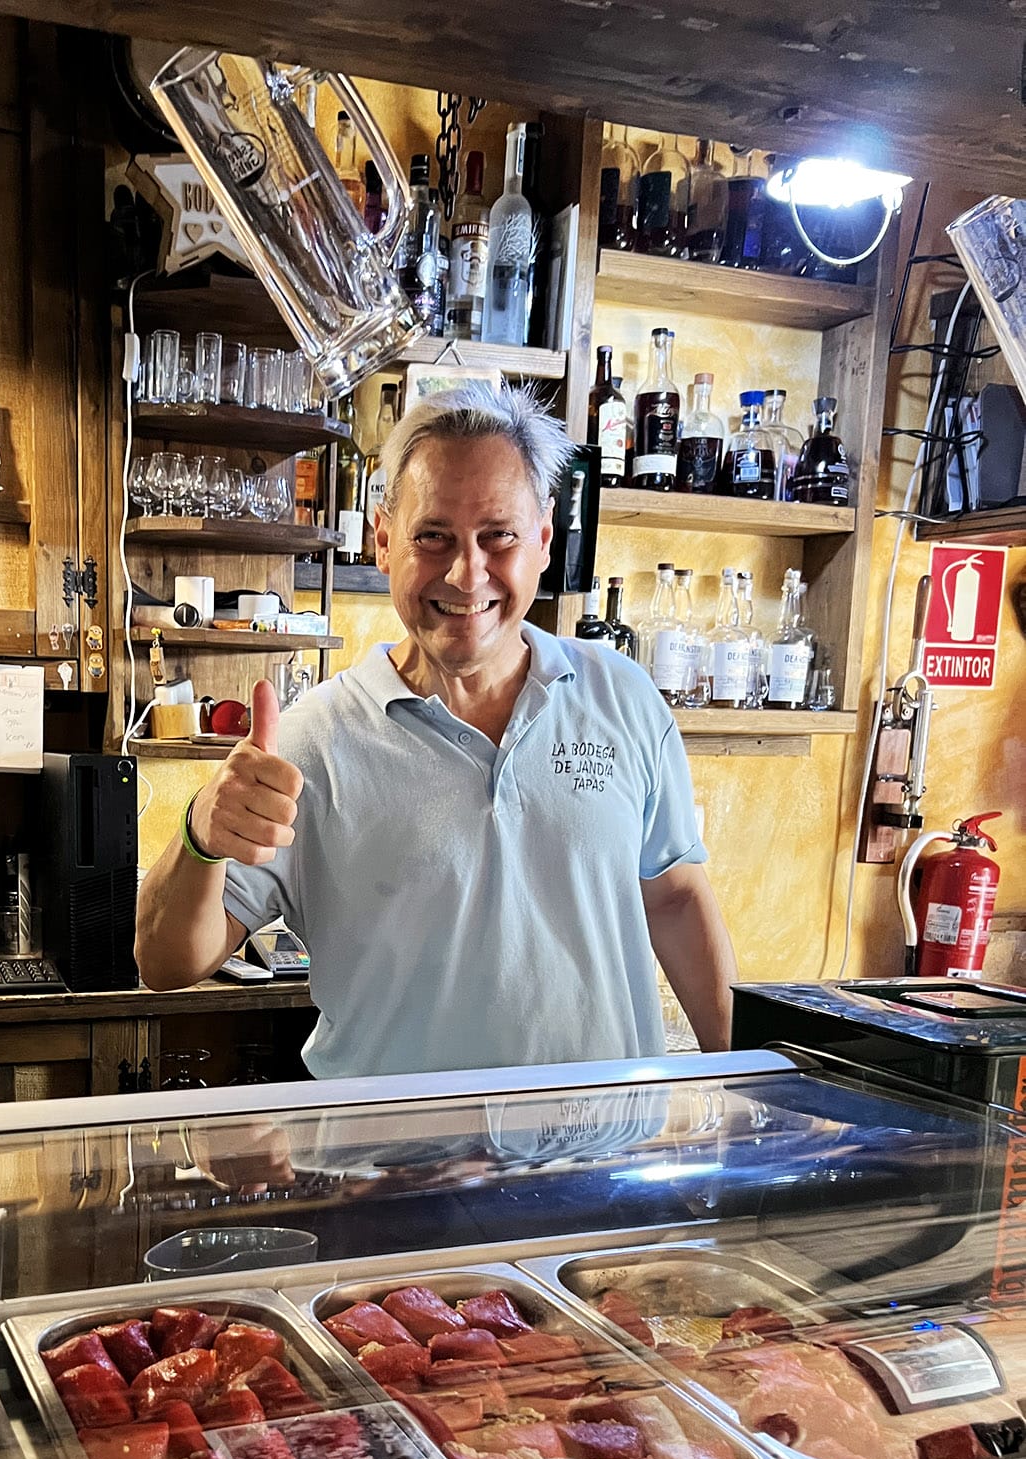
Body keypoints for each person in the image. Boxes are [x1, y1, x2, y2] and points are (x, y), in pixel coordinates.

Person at [135, 382, 736, 1079]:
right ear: (384, 542)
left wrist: (741, 1088)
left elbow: (675, 898)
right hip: (391, 1173)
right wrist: (200, 837)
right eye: (433, 536)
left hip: (599, 1165)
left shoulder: (622, 696)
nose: (466, 572)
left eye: (498, 536)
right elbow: (164, 962)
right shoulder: (312, 742)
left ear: (542, 539)